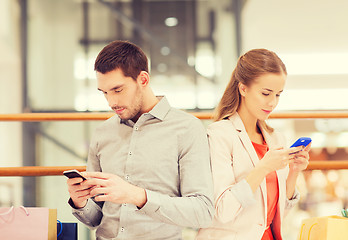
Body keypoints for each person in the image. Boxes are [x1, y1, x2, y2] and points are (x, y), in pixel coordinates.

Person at [66, 40, 214, 240]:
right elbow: (95, 219)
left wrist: (137, 196)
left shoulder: (187, 128)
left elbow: (202, 212)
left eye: (118, 90)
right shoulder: (103, 133)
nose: (111, 102)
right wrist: (80, 202)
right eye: (105, 93)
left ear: (143, 80)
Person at [196, 49, 310, 240]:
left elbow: (278, 213)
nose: (272, 103)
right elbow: (223, 210)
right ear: (243, 88)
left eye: (278, 95)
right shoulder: (219, 135)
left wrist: (294, 171)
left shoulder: (275, 139)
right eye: (266, 93)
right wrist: (263, 168)